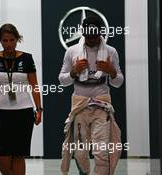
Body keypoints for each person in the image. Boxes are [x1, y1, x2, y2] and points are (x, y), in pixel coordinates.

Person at [59, 16, 124, 175]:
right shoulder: (72, 51)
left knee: (101, 150)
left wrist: (112, 72)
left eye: (95, 36)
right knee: (80, 152)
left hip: (101, 107)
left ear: (100, 32)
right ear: (83, 33)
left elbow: (118, 82)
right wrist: (74, 71)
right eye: (88, 36)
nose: (92, 39)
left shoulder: (110, 51)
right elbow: (62, 80)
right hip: (80, 107)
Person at [0, 23, 42, 175]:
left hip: (23, 112)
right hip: (0, 113)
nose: (8, 44)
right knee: (2, 156)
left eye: (11, 40)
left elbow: (34, 85)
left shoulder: (27, 58)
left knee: (18, 155)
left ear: (17, 39)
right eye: (5, 40)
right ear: (0, 40)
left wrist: (39, 109)